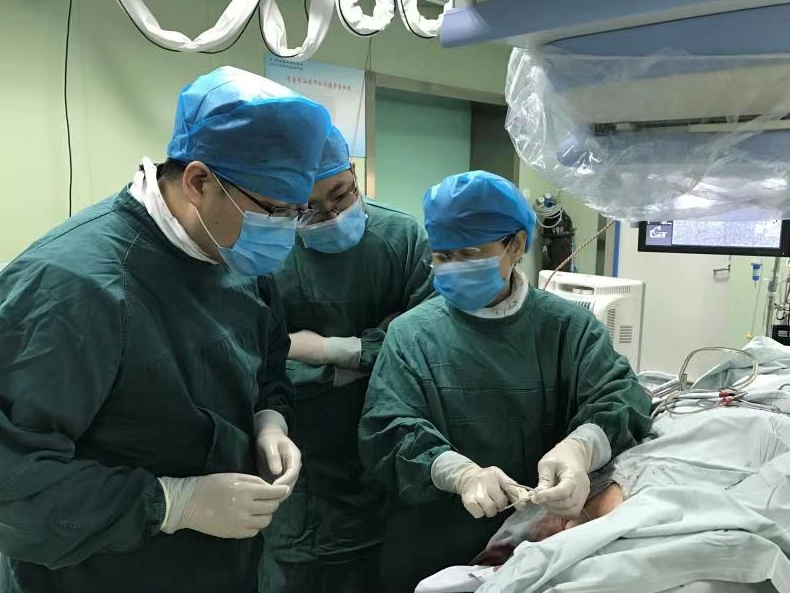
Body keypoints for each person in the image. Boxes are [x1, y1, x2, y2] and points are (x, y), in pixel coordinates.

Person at [0, 66, 331, 593]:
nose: (285, 233)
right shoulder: (73, 286)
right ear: (199, 182)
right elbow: (14, 485)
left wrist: (270, 420)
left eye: (298, 212)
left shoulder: (235, 256)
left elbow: (269, 363)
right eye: (273, 211)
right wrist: (173, 502)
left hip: (221, 568)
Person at [358, 170, 652, 592]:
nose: (453, 267)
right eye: (442, 256)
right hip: (431, 547)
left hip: (543, 547)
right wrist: (457, 472)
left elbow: (620, 397)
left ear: (516, 245)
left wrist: (579, 449)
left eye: (469, 253)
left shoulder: (568, 328)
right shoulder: (411, 334)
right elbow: (387, 428)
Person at [260, 125, 434, 593]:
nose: (332, 215)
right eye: (310, 208)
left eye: (340, 194)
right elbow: (255, 351)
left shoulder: (400, 238)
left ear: (353, 170)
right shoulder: (266, 248)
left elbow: (421, 340)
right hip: (295, 452)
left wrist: (330, 350)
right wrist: (358, 360)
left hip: (380, 449)